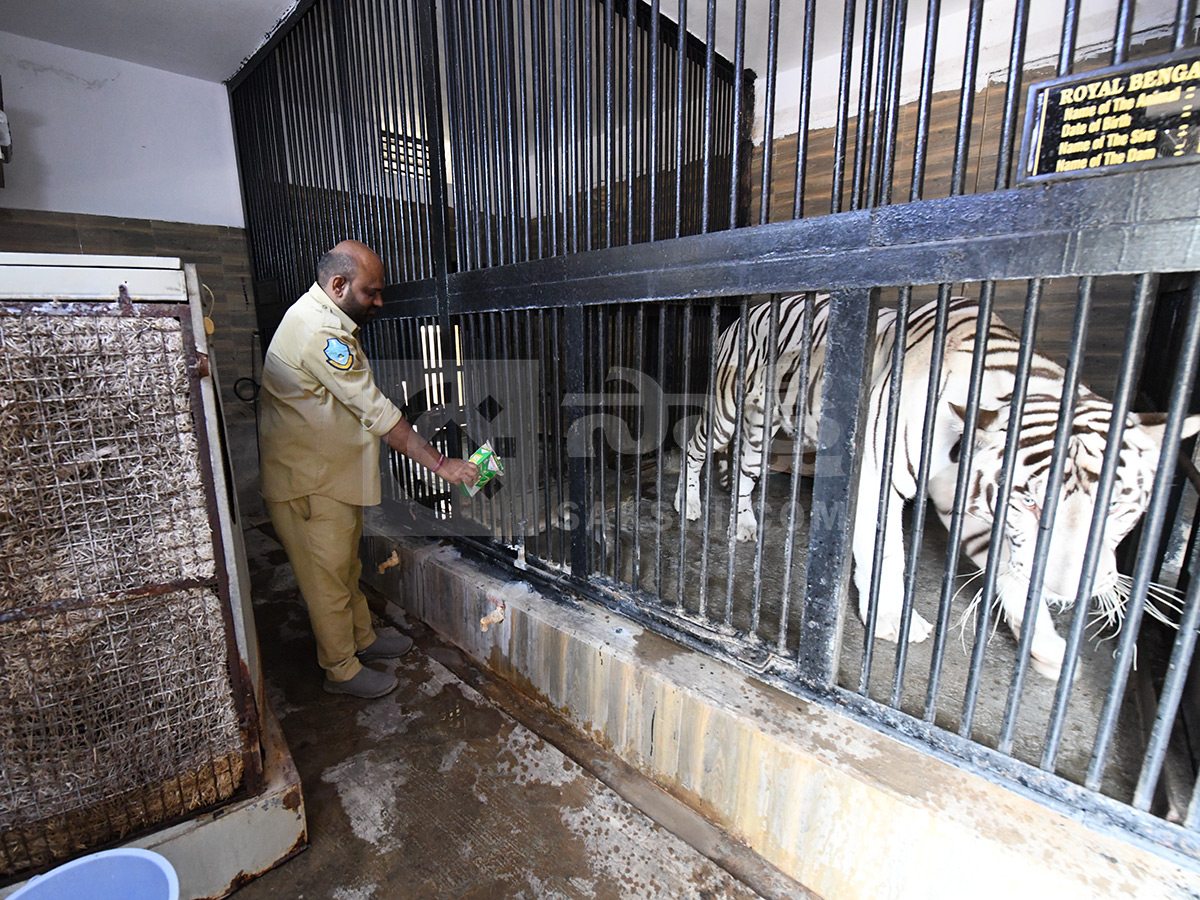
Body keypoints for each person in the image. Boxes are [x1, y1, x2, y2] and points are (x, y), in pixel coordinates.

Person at [259, 240, 478, 699]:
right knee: (326, 580)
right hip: (310, 484)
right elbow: (377, 412)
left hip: (331, 478)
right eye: (371, 292)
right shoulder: (321, 332)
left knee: (344, 567)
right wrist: (441, 464)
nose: (379, 302)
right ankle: (340, 669)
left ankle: (363, 640)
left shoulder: (325, 317)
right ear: (338, 285)